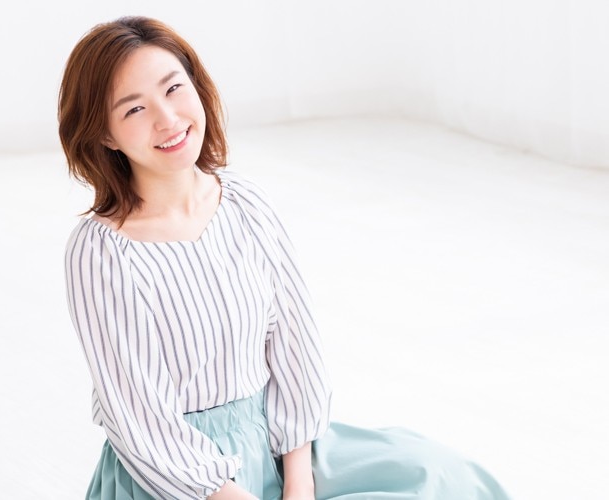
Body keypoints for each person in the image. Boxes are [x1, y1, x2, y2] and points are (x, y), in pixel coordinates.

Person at [59, 16, 512, 500]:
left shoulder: (247, 205)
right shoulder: (102, 252)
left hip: (280, 443)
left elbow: (295, 349)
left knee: (441, 477)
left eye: (174, 89)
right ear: (104, 136)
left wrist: (298, 483)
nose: (167, 119)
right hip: (179, 478)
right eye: (134, 110)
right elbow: (140, 417)